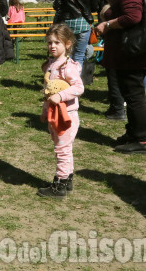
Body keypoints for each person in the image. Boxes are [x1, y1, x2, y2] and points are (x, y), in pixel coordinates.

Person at [95, 0, 146, 155]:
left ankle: (141, 140)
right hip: (140, 49)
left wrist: (109, 24)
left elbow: (132, 16)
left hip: (131, 51)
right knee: (133, 94)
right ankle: (133, 133)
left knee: (134, 96)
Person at [37, 24, 84, 198]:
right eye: (50, 42)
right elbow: (49, 92)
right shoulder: (51, 64)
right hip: (54, 114)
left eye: (57, 42)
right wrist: (44, 111)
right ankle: (68, 178)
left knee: (62, 149)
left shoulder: (67, 67)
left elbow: (79, 87)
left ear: (68, 44)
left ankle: (60, 184)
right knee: (64, 148)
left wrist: (62, 96)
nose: (53, 46)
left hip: (66, 116)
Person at [53, 0, 97, 66]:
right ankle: (76, 79)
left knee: (68, 54)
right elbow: (95, 7)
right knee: (80, 55)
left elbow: (56, 6)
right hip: (83, 23)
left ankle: (66, 78)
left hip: (66, 24)